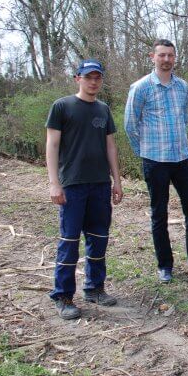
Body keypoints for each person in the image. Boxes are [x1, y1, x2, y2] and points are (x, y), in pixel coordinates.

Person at [124, 39, 188, 283]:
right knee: (159, 214)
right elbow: (130, 125)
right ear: (153, 57)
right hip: (155, 160)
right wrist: (144, 152)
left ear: (175, 58)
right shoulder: (140, 88)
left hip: (183, 157)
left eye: (170, 55)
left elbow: (184, 119)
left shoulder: (183, 87)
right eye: (162, 55)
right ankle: (165, 265)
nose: (166, 60)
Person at [46, 59, 123, 319]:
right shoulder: (62, 106)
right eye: (88, 77)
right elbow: (52, 145)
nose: (93, 82)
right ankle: (63, 296)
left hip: (100, 185)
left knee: (99, 238)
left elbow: (111, 146)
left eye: (97, 77)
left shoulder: (103, 109)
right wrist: (54, 182)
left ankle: (94, 288)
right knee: (69, 241)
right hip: (72, 185)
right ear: (77, 78)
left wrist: (117, 180)